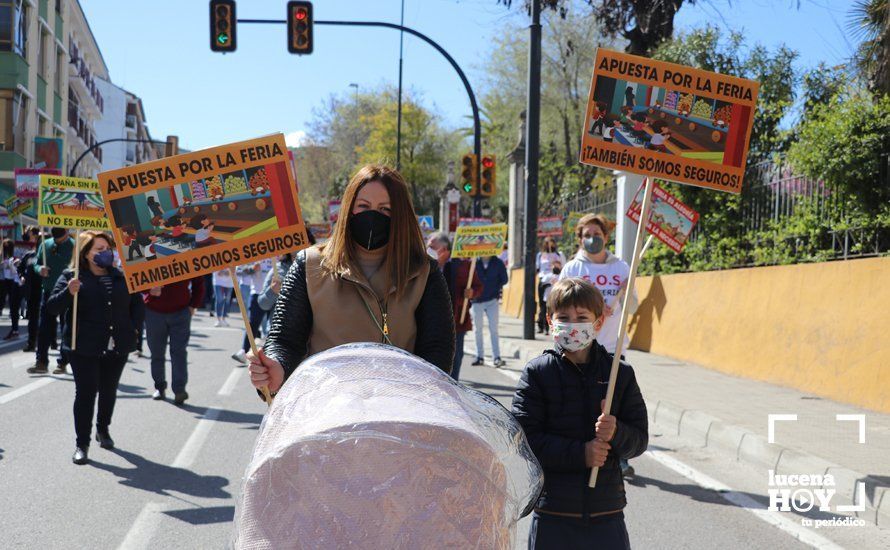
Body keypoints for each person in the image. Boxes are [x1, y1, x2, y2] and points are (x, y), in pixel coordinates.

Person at [247, 164, 455, 398]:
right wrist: (276, 367)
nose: (373, 215)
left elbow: (437, 351)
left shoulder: (424, 271)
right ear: (348, 209)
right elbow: (285, 340)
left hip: (399, 414)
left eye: (385, 209)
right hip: (325, 412)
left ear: (400, 215)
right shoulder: (310, 264)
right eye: (363, 206)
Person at [512, 278, 648, 548]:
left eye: (582, 317)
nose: (573, 325)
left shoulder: (619, 373)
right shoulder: (538, 373)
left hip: (607, 514)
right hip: (553, 513)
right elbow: (524, 442)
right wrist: (581, 453)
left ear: (598, 323)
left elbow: (639, 440)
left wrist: (617, 432)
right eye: (564, 317)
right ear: (551, 321)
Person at [45, 231, 144, 465]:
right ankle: (82, 443)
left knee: (109, 390)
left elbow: (137, 306)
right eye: (98, 249)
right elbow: (52, 308)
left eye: (107, 248)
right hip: (84, 346)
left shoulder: (123, 276)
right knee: (86, 394)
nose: (105, 253)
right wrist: (69, 292)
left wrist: (135, 329)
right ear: (85, 253)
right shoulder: (72, 276)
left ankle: (103, 429)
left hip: (116, 344)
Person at [559, 213, 639, 477]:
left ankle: (620, 456)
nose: (592, 239)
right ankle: (583, 451)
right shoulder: (573, 269)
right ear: (580, 239)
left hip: (613, 349)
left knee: (614, 405)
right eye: (586, 235)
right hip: (581, 349)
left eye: (597, 233)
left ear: (606, 236)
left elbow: (635, 307)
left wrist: (627, 293)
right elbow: (560, 304)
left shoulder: (621, 268)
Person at [427, 231, 482, 381]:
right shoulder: (423, 265)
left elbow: (478, 287)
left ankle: (452, 388)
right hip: (430, 320)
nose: (428, 248)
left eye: (432, 246)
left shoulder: (463, 267)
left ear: (444, 250)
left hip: (456, 320)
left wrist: (471, 292)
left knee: (455, 359)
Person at [143, 277, 205, 404]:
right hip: (154, 311)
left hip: (181, 312)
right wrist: (148, 290)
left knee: (179, 352)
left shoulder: (185, 256)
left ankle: (179, 390)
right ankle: (159, 387)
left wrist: (193, 305)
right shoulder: (147, 256)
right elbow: (135, 279)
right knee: (157, 353)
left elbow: (199, 281)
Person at [27, 228, 74, 375]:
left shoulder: (74, 245)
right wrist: (39, 268)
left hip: (67, 293)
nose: (57, 241)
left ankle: (63, 362)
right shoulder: (45, 244)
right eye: (55, 238)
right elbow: (36, 262)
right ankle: (41, 362)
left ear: (67, 232)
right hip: (48, 291)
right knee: (44, 327)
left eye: (60, 238)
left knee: (66, 328)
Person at [470, 254, 508, 368]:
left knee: (494, 329)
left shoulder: (498, 262)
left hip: (492, 300)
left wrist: (494, 288)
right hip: (477, 300)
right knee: (478, 329)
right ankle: (479, 356)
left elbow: (504, 279)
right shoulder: (473, 262)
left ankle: (496, 357)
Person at [231, 260, 272, 365]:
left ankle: (272, 356)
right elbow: (242, 272)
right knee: (251, 324)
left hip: (274, 295)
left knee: (273, 326)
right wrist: (252, 269)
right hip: (257, 294)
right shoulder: (255, 254)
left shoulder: (277, 253)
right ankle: (244, 351)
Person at [18, 227, 44, 351]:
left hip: (45, 290)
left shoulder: (47, 257)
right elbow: (20, 269)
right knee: (33, 319)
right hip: (32, 292)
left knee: (46, 319)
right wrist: (22, 276)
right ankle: (31, 343)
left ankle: (50, 341)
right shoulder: (29, 256)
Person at [535, 237, 566, 334]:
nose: (549, 245)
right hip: (544, 281)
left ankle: (549, 326)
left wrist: (556, 266)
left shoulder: (558, 254)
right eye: (547, 243)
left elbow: (563, 268)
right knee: (542, 305)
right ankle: (541, 325)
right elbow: (538, 268)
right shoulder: (540, 255)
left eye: (551, 242)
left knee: (553, 304)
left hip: (555, 281)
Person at [0, 239, 22, 340]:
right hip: (6, 282)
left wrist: (11, 265)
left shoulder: (15, 258)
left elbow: (16, 272)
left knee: (14, 307)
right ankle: (14, 329)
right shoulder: (2, 258)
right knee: (9, 305)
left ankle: (15, 330)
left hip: (14, 283)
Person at [537, 259, 562, 335]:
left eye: (557, 266)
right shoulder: (547, 276)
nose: (556, 268)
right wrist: (548, 285)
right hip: (547, 299)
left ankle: (555, 329)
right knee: (545, 314)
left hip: (557, 299)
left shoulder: (561, 277)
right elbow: (541, 285)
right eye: (554, 266)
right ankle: (545, 328)